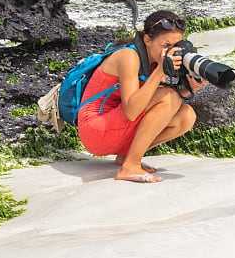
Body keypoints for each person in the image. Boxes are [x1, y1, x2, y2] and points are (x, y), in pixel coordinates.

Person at [77, 10, 208, 183]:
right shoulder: (128, 56)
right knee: (169, 95)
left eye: (175, 46)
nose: (170, 52)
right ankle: (130, 166)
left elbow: (157, 106)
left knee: (186, 116)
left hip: (114, 125)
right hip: (95, 129)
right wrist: (161, 71)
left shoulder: (155, 58)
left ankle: (126, 156)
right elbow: (132, 111)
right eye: (165, 45)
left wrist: (190, 88)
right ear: (147, 40)